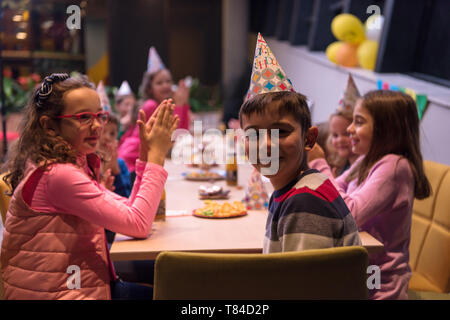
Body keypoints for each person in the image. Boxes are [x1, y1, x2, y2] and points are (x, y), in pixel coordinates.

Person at [0, 73, 179, 300]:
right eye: (84, 117)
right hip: (64, 291)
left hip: (75, 283)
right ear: (49, 126)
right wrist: (157, 156)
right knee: (176, 288)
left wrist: (145, 155)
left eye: (99, 115)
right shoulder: (59, 175)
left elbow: (133, 213)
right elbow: (139, 223)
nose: (96, 126)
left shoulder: (67, 165)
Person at [308, 90, 431, 300]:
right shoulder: (365, 161)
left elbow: (349, 213)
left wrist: (320, 165)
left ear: (386, 129)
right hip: (357, 271)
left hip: (378, 285)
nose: (349, 129)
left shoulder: (394, 167)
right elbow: (335, 189)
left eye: (358, 122)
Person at [240, 91, 361, 253]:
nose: (266, 144)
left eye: (280, 131)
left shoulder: (305, 200)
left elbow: (302, 277)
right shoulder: (297, 189)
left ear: (309, 139)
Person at [119, 48, 191, 178]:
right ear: (149, 88)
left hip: (143, 161)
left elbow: (182, 136)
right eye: (159, 83)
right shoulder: (151, 106)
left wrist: (184, 104)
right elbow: (173, 136)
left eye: (168, 81)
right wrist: (180, 105)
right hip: (131, 162)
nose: (165, 85)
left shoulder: (164, 105)